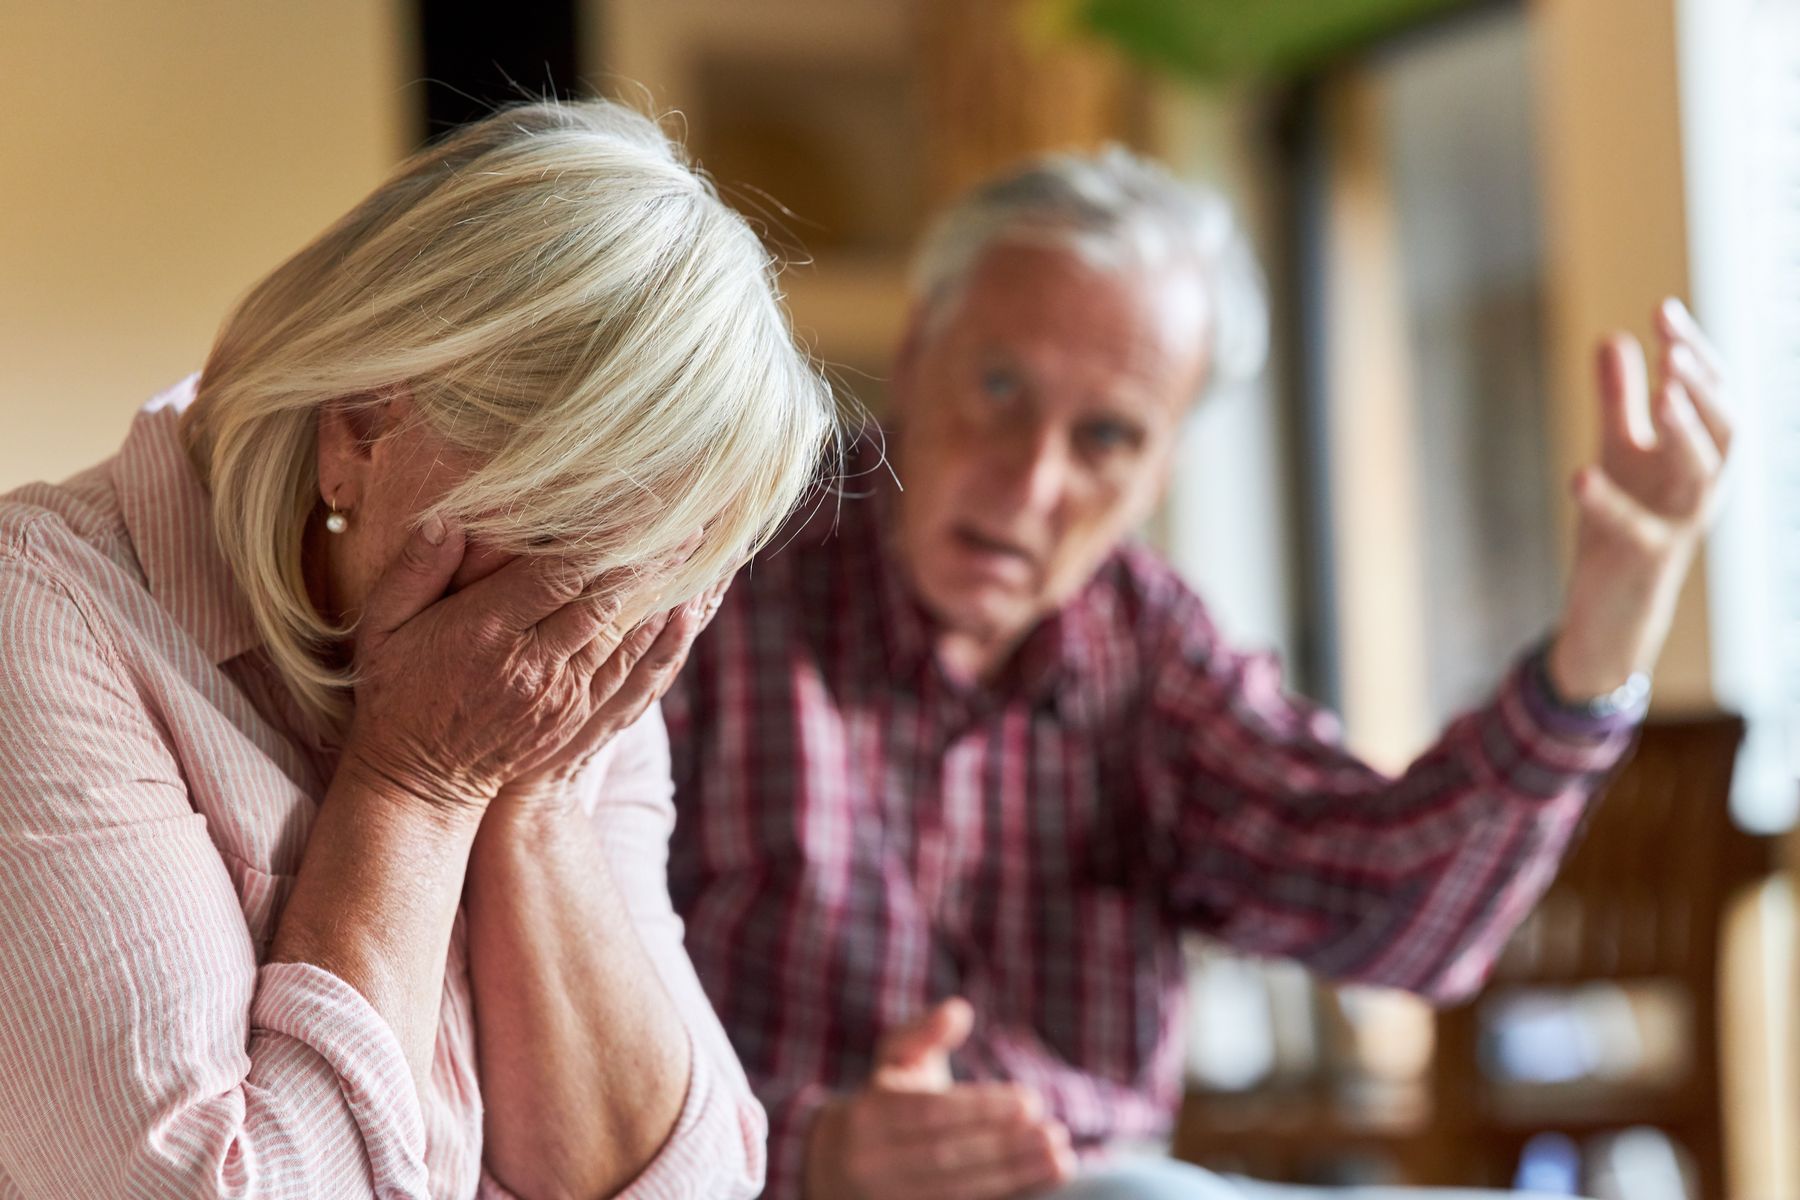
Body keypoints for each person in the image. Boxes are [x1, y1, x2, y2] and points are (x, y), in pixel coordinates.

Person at [663, 147, 1732, 1199]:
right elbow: (553, 1029)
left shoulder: (1150, 645)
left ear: (1159, 470)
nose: (1033, 480)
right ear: (915, 350)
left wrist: (1604, 633)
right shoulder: (712, 576)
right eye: (997, 385)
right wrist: (810, 1155)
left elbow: (1402, 913)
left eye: (1107, 436)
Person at [0, 98, 837, 1199]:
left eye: (659, 572)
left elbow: (692, 1180)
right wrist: (418, 784)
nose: (589, 631)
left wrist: (524, 802)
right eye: (567, 550)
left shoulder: (564, 667)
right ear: (360, 427)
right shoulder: (47, 619)